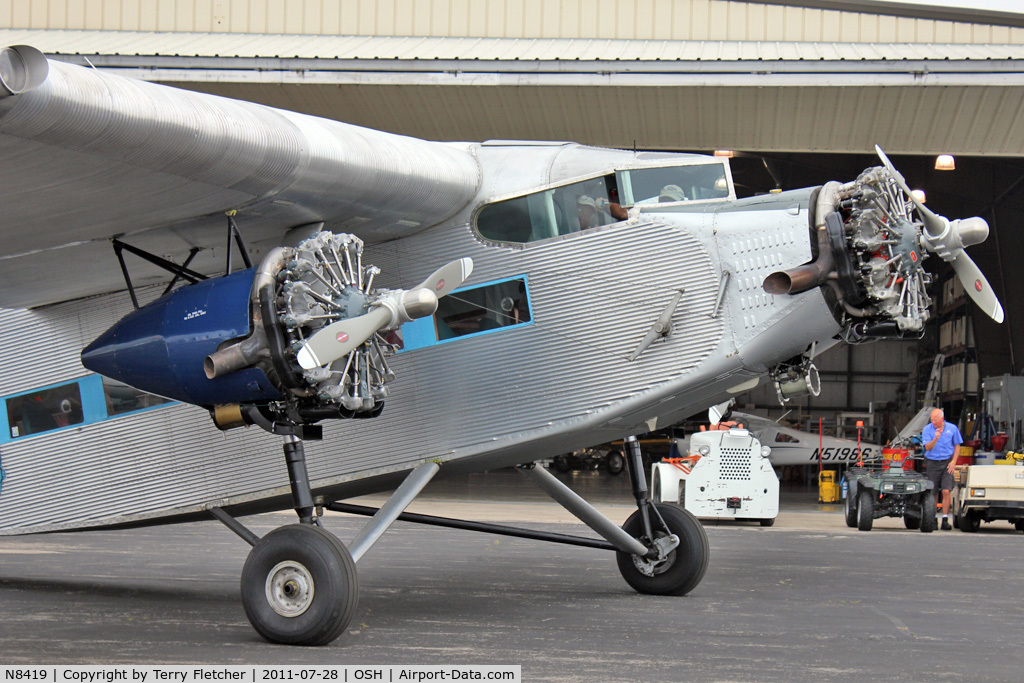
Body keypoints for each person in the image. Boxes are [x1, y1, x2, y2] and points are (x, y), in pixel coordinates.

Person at [921, 408, 962, 530]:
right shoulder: (927, 429)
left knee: (946, 491)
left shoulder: (952, 428)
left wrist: (954, 461)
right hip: (932, 462)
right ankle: (932, 518)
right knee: (932, 492)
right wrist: (936, 438)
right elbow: (928, 447)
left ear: (942, 419)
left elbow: (957, 446)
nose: (934, 422)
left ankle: (945, 518)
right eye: (932, 420)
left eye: (936, 420)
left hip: (947, 462)